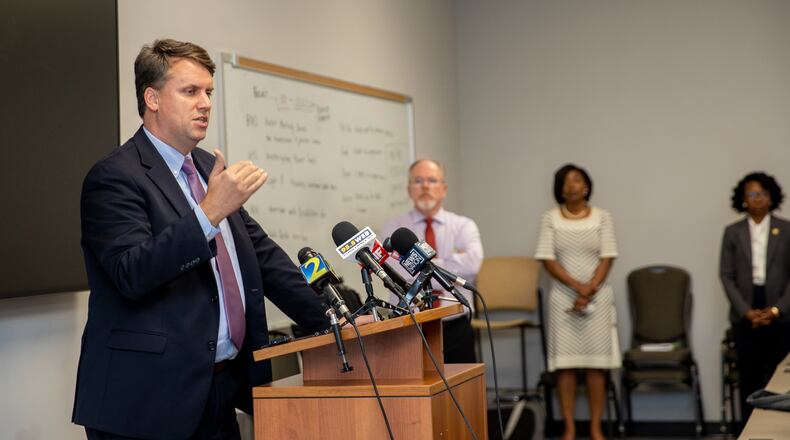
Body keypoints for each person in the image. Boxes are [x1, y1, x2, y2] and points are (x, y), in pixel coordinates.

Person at [71, 39, 329, 440]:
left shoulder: (208, 167)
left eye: (208, 91)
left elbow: (262, 259)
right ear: (152, 98)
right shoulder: (114, 177)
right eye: (190, 91)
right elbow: (132, 272)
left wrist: (334, 319)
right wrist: (209, 212)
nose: (205, 102)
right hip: (146, 403)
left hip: (220, 390)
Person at [534, 164, 619, 440]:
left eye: (578, 180)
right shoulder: (550, 219)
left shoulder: (603, 216)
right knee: (566, 366)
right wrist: (577, 287)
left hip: (598, 298)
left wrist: (590, 289)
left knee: (596, 366)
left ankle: (595, 427)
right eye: (566, 181)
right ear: (560, 189)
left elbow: (608, 255)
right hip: (563, 299)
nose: (572, 185)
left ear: (586, 186)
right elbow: (547, 258)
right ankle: (569, 427)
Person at [380, 158, 483, 363]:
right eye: (418, 181)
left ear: (444, 189)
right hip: (409, 325)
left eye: (432, 180)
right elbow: (395, 273)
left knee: (461, 390)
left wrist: (419, 268)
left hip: (455, 324)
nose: (425, 186)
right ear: (409, 189)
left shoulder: (464, 225)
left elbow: (472, 265)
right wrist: (449, 264)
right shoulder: (393, 229)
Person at [719, 171, 790, 425]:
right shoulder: (733, 232)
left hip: (780, 312)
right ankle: (747, 429)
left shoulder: (786, 229)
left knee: (778, 377)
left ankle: (778, 430)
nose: (757, 198)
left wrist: (775, 310)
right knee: (749, 376)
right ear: (743, 199)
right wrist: (746, 311)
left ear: (771, 197)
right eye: (751, 194)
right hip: (745, 312)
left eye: (762, 193)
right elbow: (726, 275)